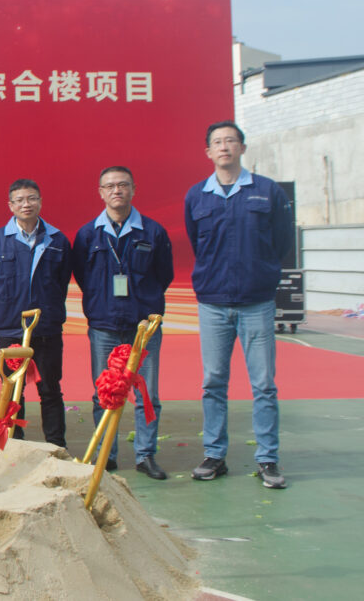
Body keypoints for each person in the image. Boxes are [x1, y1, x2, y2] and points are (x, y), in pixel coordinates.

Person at [185, 121, 293, 489]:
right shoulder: (197, 196)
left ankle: (268, 459)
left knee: (263, 384)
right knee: (213, 382)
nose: (225, 147)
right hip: (214, 303)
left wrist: (260, 274)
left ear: (242, 148)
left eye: (231, 141)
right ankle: (215, 454)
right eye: (217, 142)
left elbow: (282, 241)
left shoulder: (267, 191)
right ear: (208, 152)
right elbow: (198, 244)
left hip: (257, 303)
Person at [73, 167, 174, 478]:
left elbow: (164, 275)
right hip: (104, 325)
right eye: (109, 186)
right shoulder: (88, 234)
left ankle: (145, 456)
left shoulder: (152, 232)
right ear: (100, 192)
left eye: (123, 185)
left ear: (133, 189)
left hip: (142, 328)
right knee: (103, 392)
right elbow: (81, 274)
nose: (116, 190)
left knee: (147, 394)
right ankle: (107, 454)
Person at [0, 179, 70, 447]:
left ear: (40, 202)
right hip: (10, 328)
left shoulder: (58, 240)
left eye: (31, 198)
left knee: (50, 389)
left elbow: (61, 281)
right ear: (10, 205)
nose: (26, 204)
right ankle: (14, 443)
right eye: (19, 200)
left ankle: (56, 446)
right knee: (12, 391)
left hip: (46, 329)